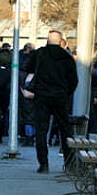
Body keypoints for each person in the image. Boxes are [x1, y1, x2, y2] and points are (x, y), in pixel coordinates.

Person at [27, 30, 78, 173]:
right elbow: (74, 80)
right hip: (60, 97)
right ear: (61, 42)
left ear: (47, 41)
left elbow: (28, 68)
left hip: (42, 96)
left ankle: (43, 164)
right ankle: (68, 163)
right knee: (65, 129)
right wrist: (66, 93)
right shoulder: (67, 58)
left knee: (41, 130)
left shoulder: (39, 54)